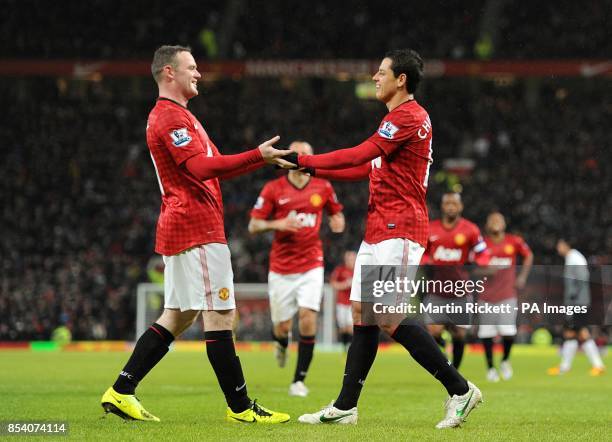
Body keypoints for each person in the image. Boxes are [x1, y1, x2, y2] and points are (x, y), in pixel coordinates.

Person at [289, 49, 482, 429]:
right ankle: (346, 406)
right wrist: (311, 171)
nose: (375, 78)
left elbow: (360, 153)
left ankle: (460, 390)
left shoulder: (410, 117)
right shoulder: (392, 123)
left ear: (401, 80)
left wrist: (306, 161)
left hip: (402, 228)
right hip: (379, 228)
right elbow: (363, 166)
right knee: (362, 313)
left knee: (389, 315)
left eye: (381, 73)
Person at [100, 45, 292, 424]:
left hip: (187, 225)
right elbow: (201, 168)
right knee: (221, 314)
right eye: (192, 67)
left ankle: (121, 391)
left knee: (180, 314)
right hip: (196, 228)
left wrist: (259, 160)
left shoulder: (184, 117)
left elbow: (214, 167)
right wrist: (256, 154)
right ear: (169, 73)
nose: (199, 73)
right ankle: (240, 407)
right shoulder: (170, 118)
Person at [248, 140, 345, 397]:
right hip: (281, 268)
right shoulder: (273, 189)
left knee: (308, 317)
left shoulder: (323, 186)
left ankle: (298, 380)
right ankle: (280, 342)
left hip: (312, 263)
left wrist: (337, 222)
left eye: (307, 155)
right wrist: (278, 224)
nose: (302, 159)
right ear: (288, 157)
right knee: (282, 327)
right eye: (297, 155)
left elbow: (337, 213)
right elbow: (254, 226)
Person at [421, 192, 489, 369]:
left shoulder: (471, 229)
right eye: (447, 203)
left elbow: (483, 253)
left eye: (454, 203)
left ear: (460, 207)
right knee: (434, 331)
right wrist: (426, 261)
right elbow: (421, 252)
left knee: (459, 333)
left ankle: (455, 371)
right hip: (437, 290)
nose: (451, 206)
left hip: (460, 291)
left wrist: (477, 263)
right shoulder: (430, 228)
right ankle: (443, 363)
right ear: (443, 207)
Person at [478, 212, 533, 382]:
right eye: (491, 220)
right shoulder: (481, 244)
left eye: (498, 220)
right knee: (486, 334)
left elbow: (529, 255)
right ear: (487, 225)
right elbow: (471, 267)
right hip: (486, 296)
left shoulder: (513, 241)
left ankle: (505, 361)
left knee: (508, 332)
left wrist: (522, 276)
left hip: (507, 294)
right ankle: (490, 369)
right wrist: (485, 271)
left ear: (504, 224)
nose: (495, 222)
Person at [547, 239, 605, 376]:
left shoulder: (574, 257)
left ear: (566, 245)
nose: (558, 249)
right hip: (576, 302)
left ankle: (597, 365)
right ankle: (565, 366)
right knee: (571, 333)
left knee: (579, 332)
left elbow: (583, 276)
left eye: (559, 245)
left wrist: (574, 295)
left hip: (578, 302)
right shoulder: (571, 257)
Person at [330, 251, 357, 352]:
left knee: (351, 327)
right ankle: (344, 348)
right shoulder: (340, 270)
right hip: (341, 303)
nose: (351, 261)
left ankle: (351, 348)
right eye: (349, 259)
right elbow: (333, 284)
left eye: (353, 259)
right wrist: (345, 284)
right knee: (343, 327)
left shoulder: (359, 271)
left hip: (353, 304)